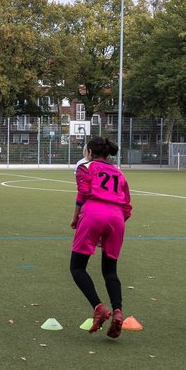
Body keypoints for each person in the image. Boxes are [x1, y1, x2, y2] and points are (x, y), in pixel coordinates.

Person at [68, 136, 132, 337]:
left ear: (89, 152)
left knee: (77, 267)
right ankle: (118, 311)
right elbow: (127, 206)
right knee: (110, 271)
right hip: (117, 219)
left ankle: (99, 308)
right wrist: (111, 227)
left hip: (93, 214)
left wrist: (75, 218)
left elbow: (83, 194)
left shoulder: (85, 167)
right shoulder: (119, 174)